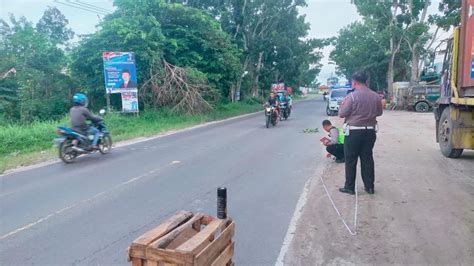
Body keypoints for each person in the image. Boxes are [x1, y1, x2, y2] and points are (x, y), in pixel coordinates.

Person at [338, 71, 383, 195]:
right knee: (367, 158)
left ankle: (350, 187)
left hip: (354, 132)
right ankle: (369, 187)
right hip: (370, 131)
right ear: (366, 82)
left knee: (351, 159)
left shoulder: (351, 97)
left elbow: (342, 113)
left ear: (354, 82)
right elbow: (379, 113)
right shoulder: (375, 96)